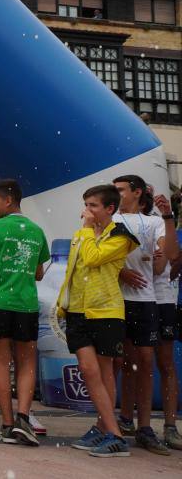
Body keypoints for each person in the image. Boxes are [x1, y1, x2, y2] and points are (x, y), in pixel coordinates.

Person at [56, 184, 137, 457]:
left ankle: (111, 432)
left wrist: (89, 231)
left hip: (105, 312)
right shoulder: (81, 235)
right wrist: (62, 304)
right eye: (86, 204)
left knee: (102, 372)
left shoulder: (121, 237)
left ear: (109, 209)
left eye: (93, 205)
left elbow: (92, 259)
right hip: (78, 312)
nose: (87, 211)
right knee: (88, 370)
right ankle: (108, 429)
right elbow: (73, 272)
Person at [0, 179, 49, 446]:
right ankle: (23, 418)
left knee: (0, 362)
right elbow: (38, 272)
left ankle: (6, 423)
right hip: (26, 304)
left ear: (9, 200)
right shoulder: (37, 231)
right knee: (27, 362)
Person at [111, 175, 171, 455]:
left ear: (136, 193)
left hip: (145, 300)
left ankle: (145, 427)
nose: (117, 194)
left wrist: (169, 217)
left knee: (145, 363)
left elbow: (164, 260)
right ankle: (115, 422)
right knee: (117, 361)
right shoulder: (110, 219)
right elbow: (96, 256)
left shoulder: (154, 222)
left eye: (121, 190)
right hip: (114, 299)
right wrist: (121, 271)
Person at [145, 192, 182, 450]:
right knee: (136, 363)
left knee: (165, 364)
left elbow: (171, 262)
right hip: (138, 301)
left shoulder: (162, 225)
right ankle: (137, 423)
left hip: (164, 302)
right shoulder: (122, 223)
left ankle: (170, 426)